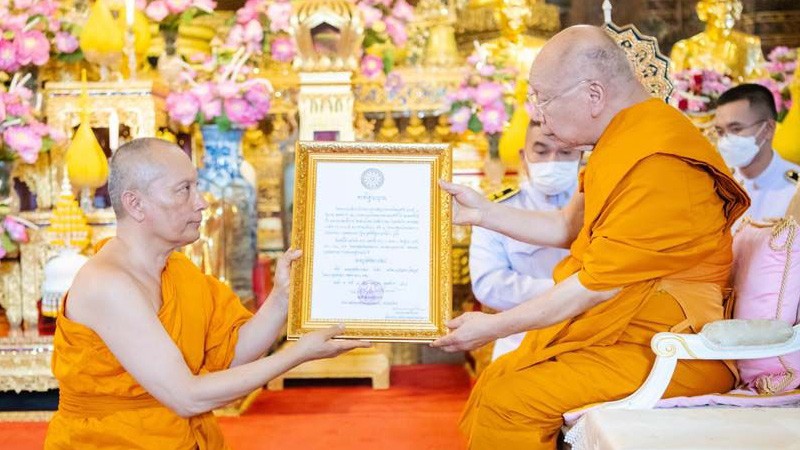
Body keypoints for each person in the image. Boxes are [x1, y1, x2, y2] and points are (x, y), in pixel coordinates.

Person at [432, 25, 750, 450]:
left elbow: (595, 288)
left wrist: (494, 326)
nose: (539, 115)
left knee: (510, 401)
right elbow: (567, 228)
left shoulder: (659, 160)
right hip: (630, 332)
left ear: (593, 95)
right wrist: (483, 213)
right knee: (503, 377)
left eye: (543, 99)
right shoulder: (623, 141)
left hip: (675, 345)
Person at [44, 138, 369, 449]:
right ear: (135, 204)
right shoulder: (107, 283)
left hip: (185, 438)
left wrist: (282, 298)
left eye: (196, 187)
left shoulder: (178, 271)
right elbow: (187, 396)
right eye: (184, 190)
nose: (200, 201)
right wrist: (297, 354)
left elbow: (230, 354)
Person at [469, 120, 579, 360]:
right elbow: (488, 284)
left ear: (581, 155)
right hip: (519, 341)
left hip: (589, 339)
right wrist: (570, 294)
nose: (553, 161)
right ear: (524, 156)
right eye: (541, 151)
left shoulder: (601, 202)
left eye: (565, 152)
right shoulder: (496, 210)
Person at [714, 83, 800, 221]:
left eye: (736, 129)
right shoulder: (718, 184)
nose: (726, 140)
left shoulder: (795, 188)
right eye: (720, 131)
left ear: (768, 129)